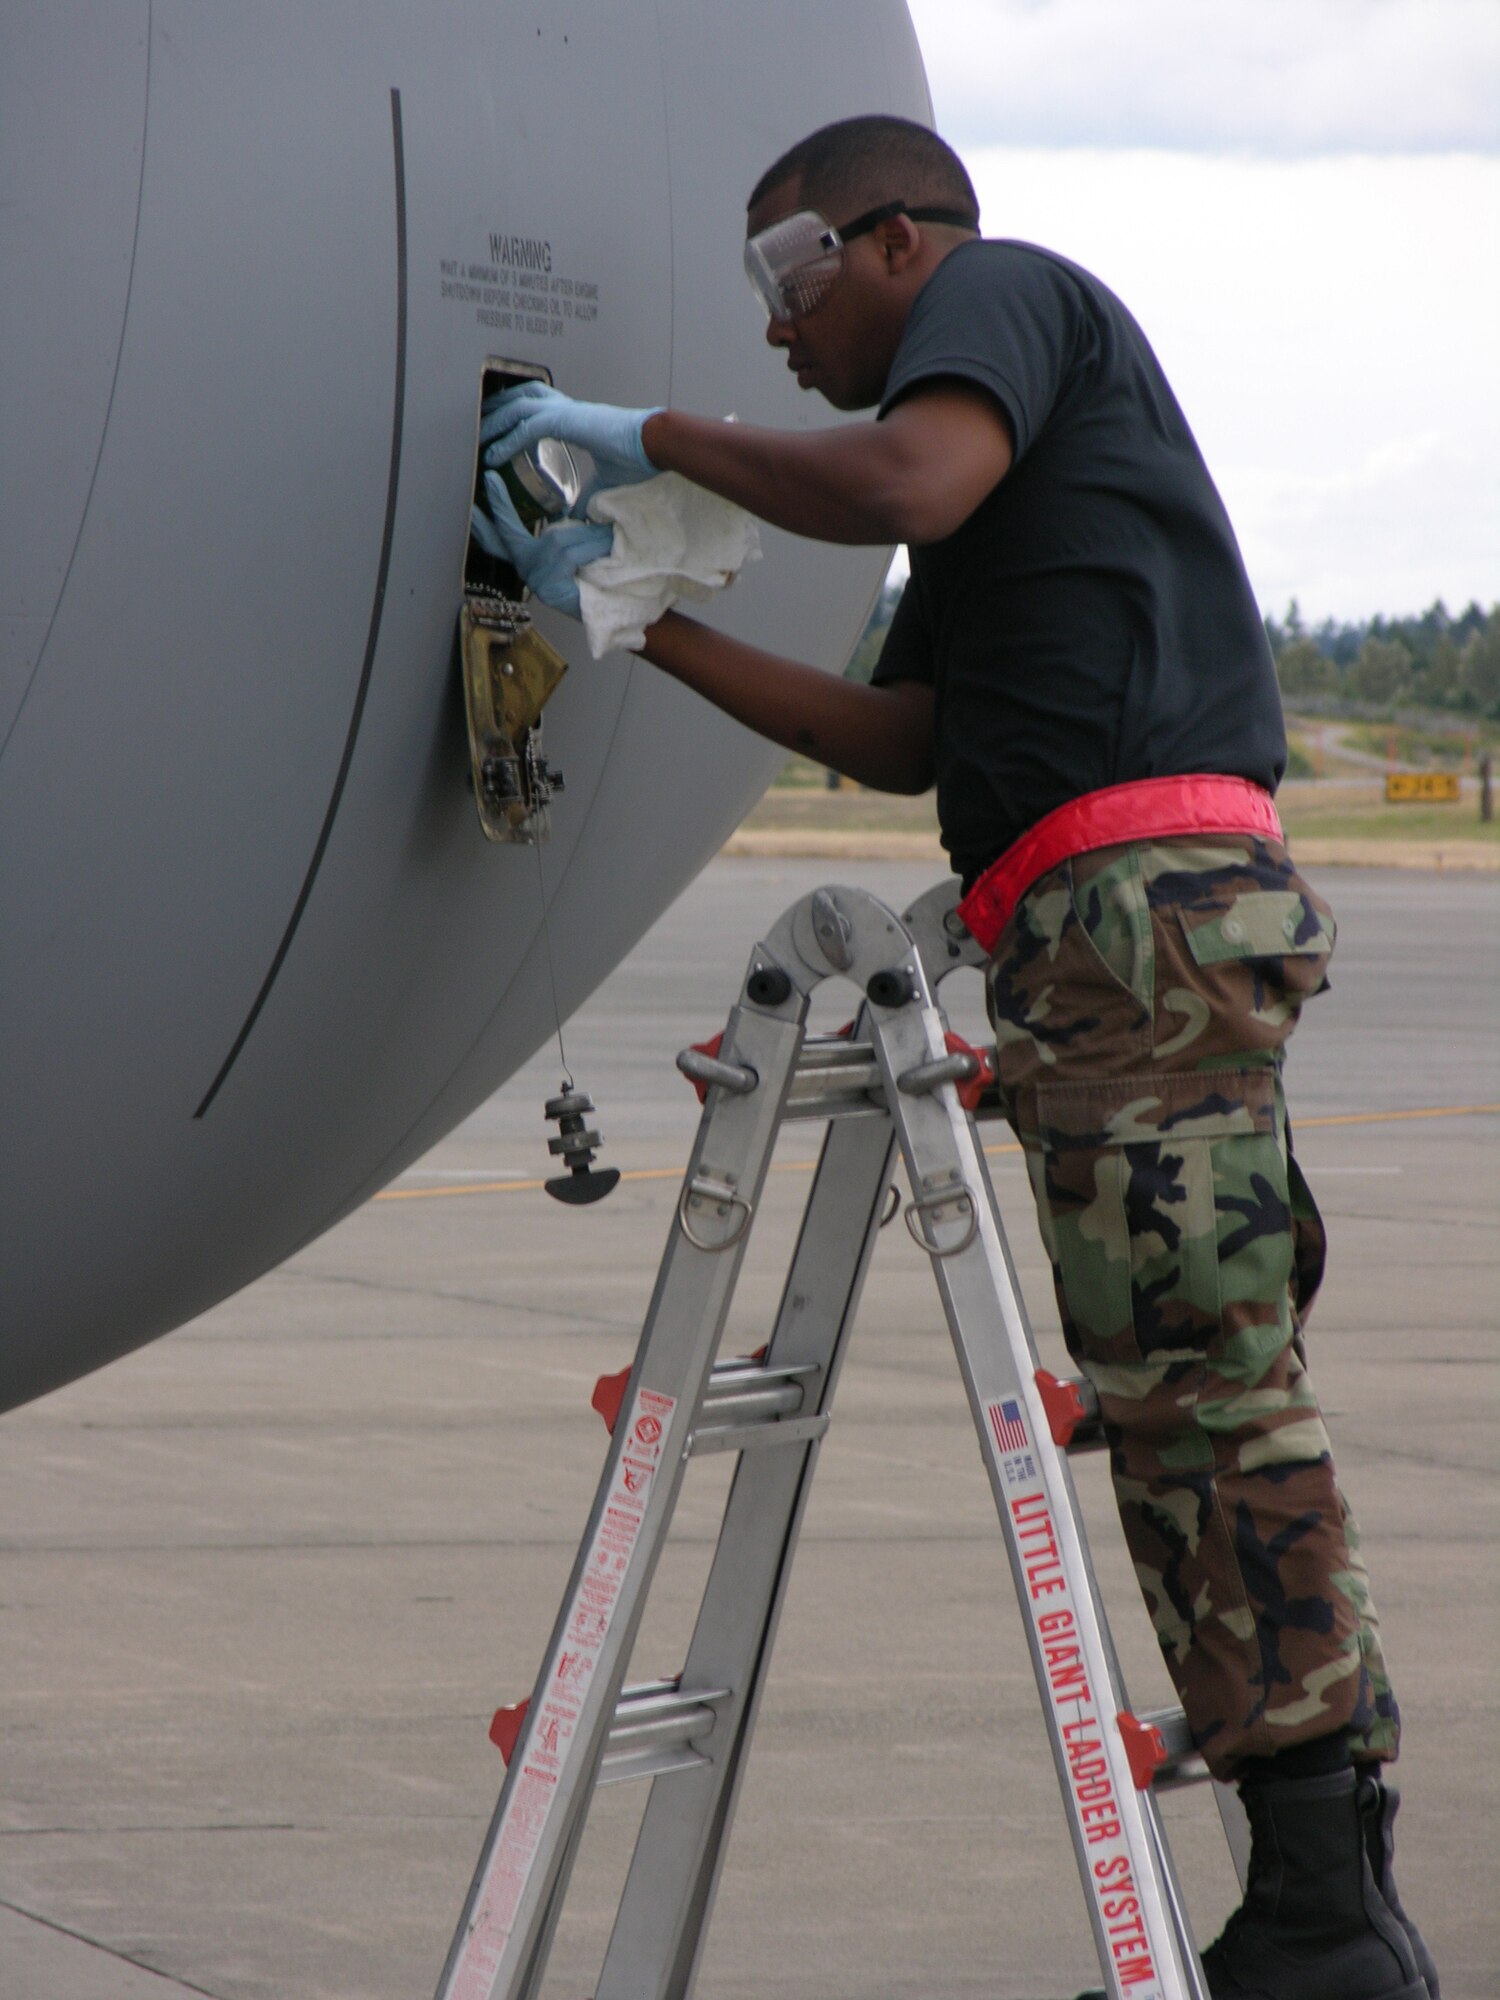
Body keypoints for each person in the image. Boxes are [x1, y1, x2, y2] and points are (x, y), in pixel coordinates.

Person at [472, 114, 1436, 2000]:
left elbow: (904, 474)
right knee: (1186, 1403)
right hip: (1114, 934)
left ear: (895, 242)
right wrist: (641, 622)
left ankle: (1330, 1922)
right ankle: (1315, 1906)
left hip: (1131, 919)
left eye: (788, 280)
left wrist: (643, 437)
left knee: (1204, 1407)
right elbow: (910, 734)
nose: (776, 334)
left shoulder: (1001, 303)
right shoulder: (1001, 494)